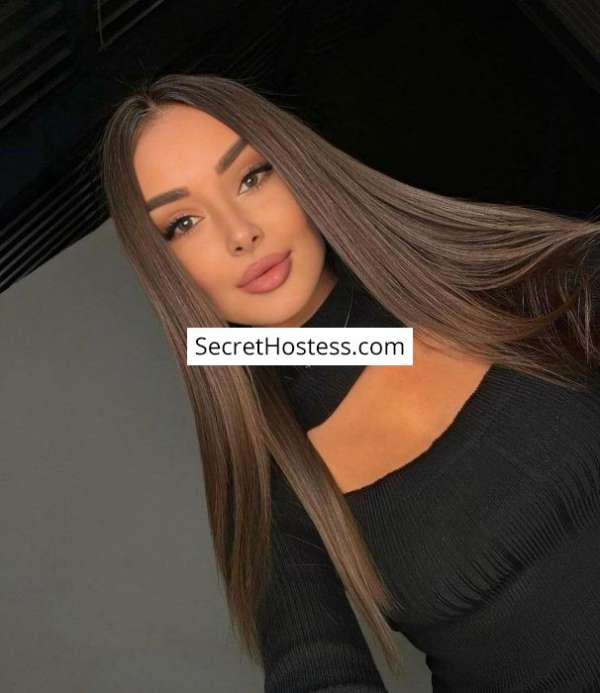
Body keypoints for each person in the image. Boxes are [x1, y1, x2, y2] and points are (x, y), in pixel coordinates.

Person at [100, 73, 600, 691]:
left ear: (299, 171)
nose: (239, 233)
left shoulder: (509, 286)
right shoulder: (273, 489)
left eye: (251, 177)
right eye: (183, 223)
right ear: (164, 271)